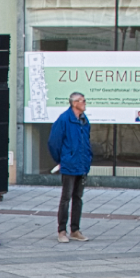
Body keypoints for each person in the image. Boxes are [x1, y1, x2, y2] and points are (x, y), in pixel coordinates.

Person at [49, 91, 94, 242]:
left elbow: (86, 141)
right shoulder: (64, 119)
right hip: (69, 164)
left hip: (82, 164)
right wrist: (62, 159)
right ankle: (62, 231)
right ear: (74, 103)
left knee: (78, 198)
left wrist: (88, 157)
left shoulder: (84, 120)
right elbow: (54, 142)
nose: (85, 103)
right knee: (66, 198)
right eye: (82, 101)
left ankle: (75, 230)